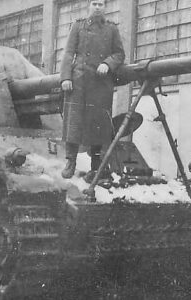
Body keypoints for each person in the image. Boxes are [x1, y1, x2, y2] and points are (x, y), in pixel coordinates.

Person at [59, 0, 125, 179]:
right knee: (74, 122)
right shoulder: (78, 26)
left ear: (105, 7)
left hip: (100, 83)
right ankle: (70, 161)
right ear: (89, 5)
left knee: (98, 125)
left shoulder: (112, 29)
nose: (97, 7)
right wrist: (65, 77)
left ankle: (95, 166)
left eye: (101, 4)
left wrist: (107, 63)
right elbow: (68, 53)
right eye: (94, 3)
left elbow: (119, 53)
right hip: (78, 81)